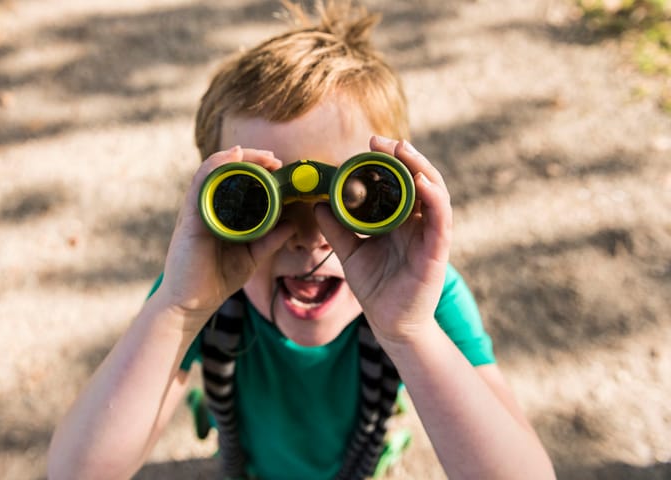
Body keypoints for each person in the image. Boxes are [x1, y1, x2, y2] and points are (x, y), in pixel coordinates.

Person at [47, 1, 556, 479]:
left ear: (399, 196)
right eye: (254, 203)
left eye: (355, 196)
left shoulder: (427, 297)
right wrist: (178, 311)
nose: (310, 236)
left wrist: (411, 333)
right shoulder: (199, 291)